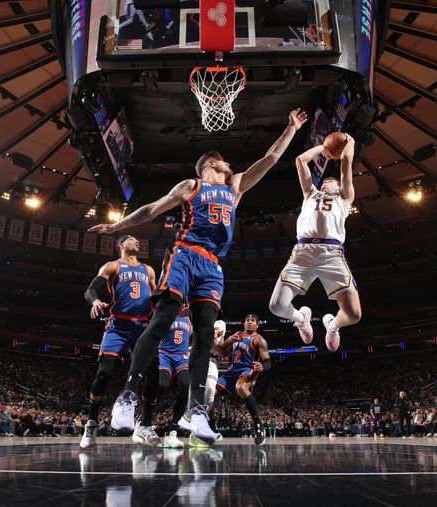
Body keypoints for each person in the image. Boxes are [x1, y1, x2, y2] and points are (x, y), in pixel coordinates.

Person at [91, 109, 308, 445]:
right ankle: (127, 397)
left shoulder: (236, 187)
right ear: (211, 165)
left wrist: (291, 128)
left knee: (205, 336)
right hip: (185, 254)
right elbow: (152, 209)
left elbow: (271, 157)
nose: (230, 165)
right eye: (223, 162)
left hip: (212, 266)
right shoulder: (192, 185)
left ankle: (197, 412)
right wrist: (118, 226)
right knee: (162, 320)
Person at [268, 134, 360, 351]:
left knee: (354, 314)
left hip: (332, 253)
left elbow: (346, 164)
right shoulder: (310, 194)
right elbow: (300, 160)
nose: (327, 181)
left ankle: (333, 325)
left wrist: (350, 141)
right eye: (325, 180)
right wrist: (324, 148)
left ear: (338, 187)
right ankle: (301, 319)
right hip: (302, 252)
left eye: (332, 180)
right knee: (276, 306)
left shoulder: (345, 198)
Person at [80, 235, 157, 448]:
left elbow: (156, 297)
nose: (137, 241)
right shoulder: (113, 266)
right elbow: (90, 290)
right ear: (121, 245)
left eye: (138, 239)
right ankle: (91, 424)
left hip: (142, 327)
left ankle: (145, 425)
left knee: (152, 375)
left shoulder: (149, 270)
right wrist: (96, 301)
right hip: (118, 326)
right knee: (104, 373)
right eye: (132, 239)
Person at [213, 314, 271, 445]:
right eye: (247, 320)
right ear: (244, 323)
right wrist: (218, 339)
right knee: (210, 395)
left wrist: (262, 366)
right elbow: (222, 352)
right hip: (232, 370)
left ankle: (258, 425)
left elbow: (268, 361)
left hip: (248, 369)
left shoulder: (259, 340)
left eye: (253, 321)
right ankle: (211, 428)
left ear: (257, 325)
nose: (250, 322)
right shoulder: (236, 335)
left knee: (241, 387)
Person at [158, 305, 192, 448]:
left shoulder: (190, 319)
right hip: (164, 353)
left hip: (181, 357)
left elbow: (191, 335)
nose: (185, 305)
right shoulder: (167, 312)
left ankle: (173, 431)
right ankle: (144, 421)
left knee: (185, 385)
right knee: (162, 385)